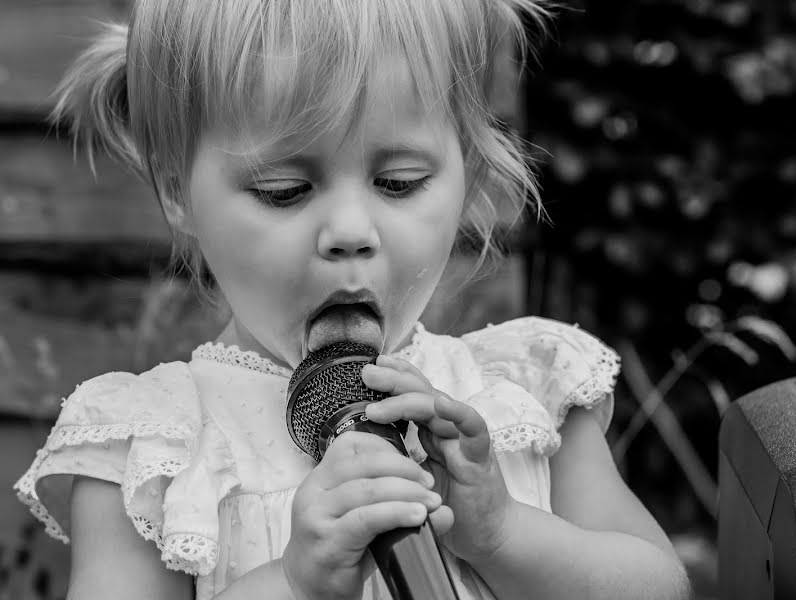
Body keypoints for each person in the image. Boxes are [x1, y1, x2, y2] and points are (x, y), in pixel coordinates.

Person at [13, 1, 692, 598]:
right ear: (176, 193)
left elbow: (661, 587)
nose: (348, 233)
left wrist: (503, 534)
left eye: (397, 182)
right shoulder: (156, 452)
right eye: (284, 190)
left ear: (471, 172)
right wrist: (293, 582)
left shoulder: (523, 398)